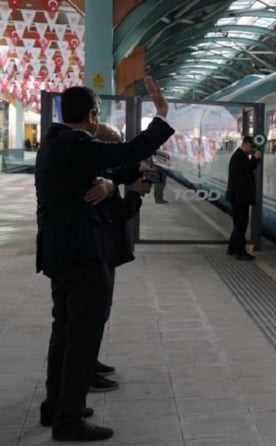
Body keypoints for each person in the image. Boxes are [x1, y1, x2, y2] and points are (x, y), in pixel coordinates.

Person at [35, 76, 173, 442]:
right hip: (83, 255)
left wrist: (117, 182)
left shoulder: (55, 143)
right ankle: (68, 420)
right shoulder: (77, 142)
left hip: (60, 253)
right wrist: (161, 113)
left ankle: (56, 406)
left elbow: (108, 168)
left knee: (64, 332)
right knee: (81, 338)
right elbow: (127, 151)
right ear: (93, 114)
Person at [81, 123, 154, 394]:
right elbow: (118, 215)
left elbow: (117, 173)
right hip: (96, 253)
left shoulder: (100, 171)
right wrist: (134, 193)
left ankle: (90, 361)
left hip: (102, 252)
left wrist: (136, 172)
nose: (117, 153)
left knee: (99, 312)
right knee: (93, 314)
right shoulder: (95, 179)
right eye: (113, 147)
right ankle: (85, 372)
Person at [226, 135, 261, 261]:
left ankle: (232, 248)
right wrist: (255, 158)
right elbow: (246, 166)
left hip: (239, 197)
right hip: (239, 198)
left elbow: (250, 167)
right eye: (251, 148)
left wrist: (255, 159)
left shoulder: (241, 156)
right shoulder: (238, 157)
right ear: (245, 145)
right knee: (241, 225)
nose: (251, 151)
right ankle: (240, 252)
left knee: (238, 224)